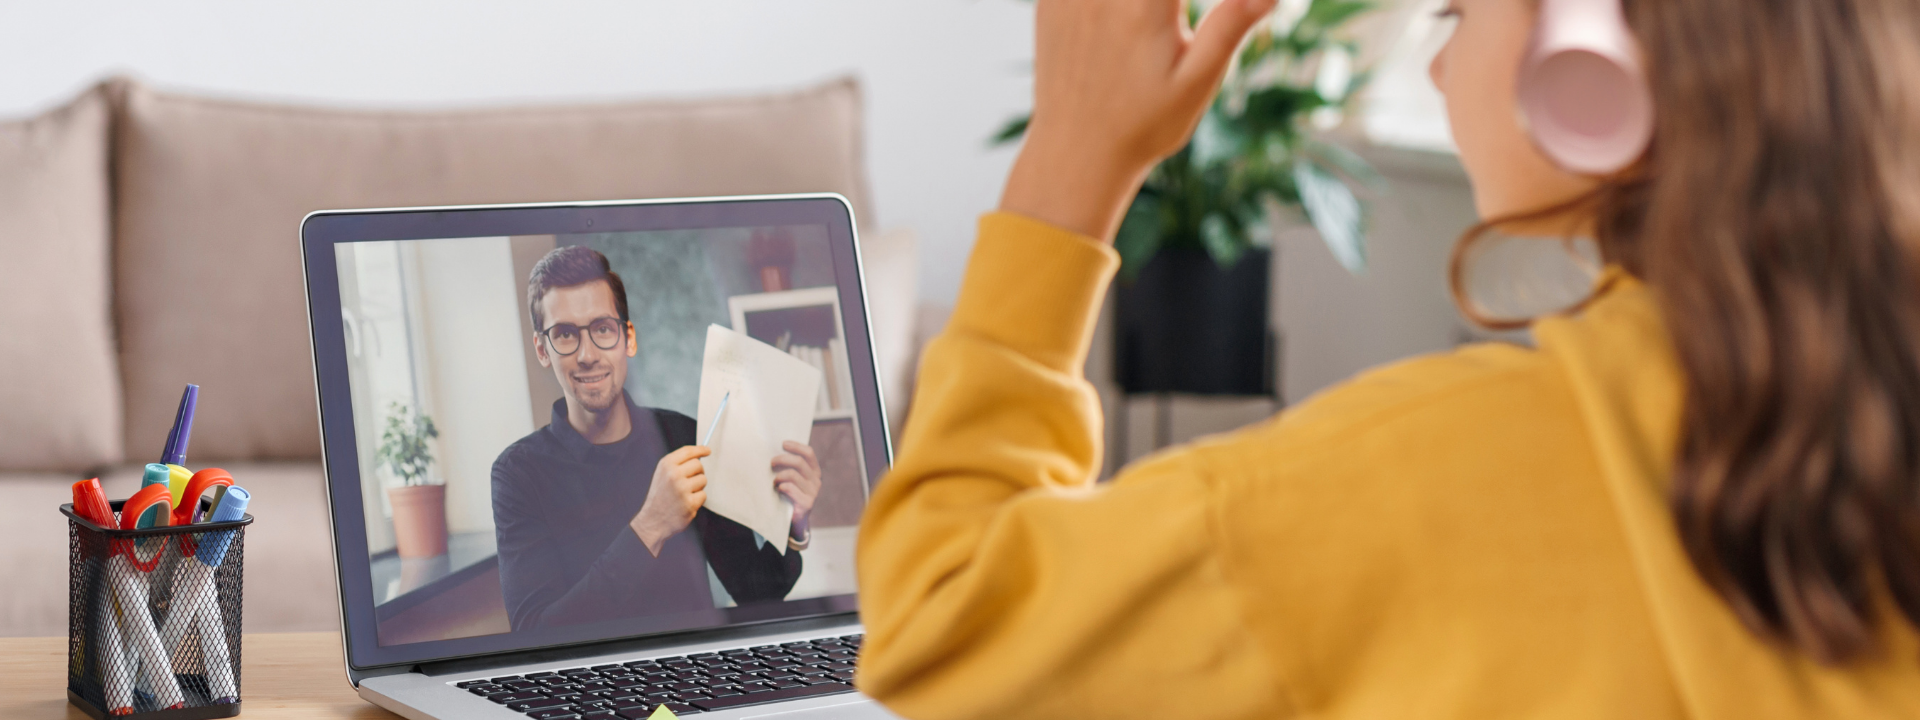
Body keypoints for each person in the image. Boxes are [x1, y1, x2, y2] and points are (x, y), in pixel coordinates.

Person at [855, 0, 1920, 718]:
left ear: (1598, 49)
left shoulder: (1429, 479)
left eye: (1461, 11)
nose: (1443, 60)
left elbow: (941, 625)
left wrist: (1075, 153)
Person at [492, 245, 824, 631]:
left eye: (602, 329)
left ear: (628, 339)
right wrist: (650, 526)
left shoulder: (684, 437)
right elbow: (535, 634)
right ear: (542, 350)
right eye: (565, 334)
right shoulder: (518, 473)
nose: (587, 354)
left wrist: (795, 522)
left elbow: (757, 591)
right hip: (595, 686)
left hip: (696, 675)